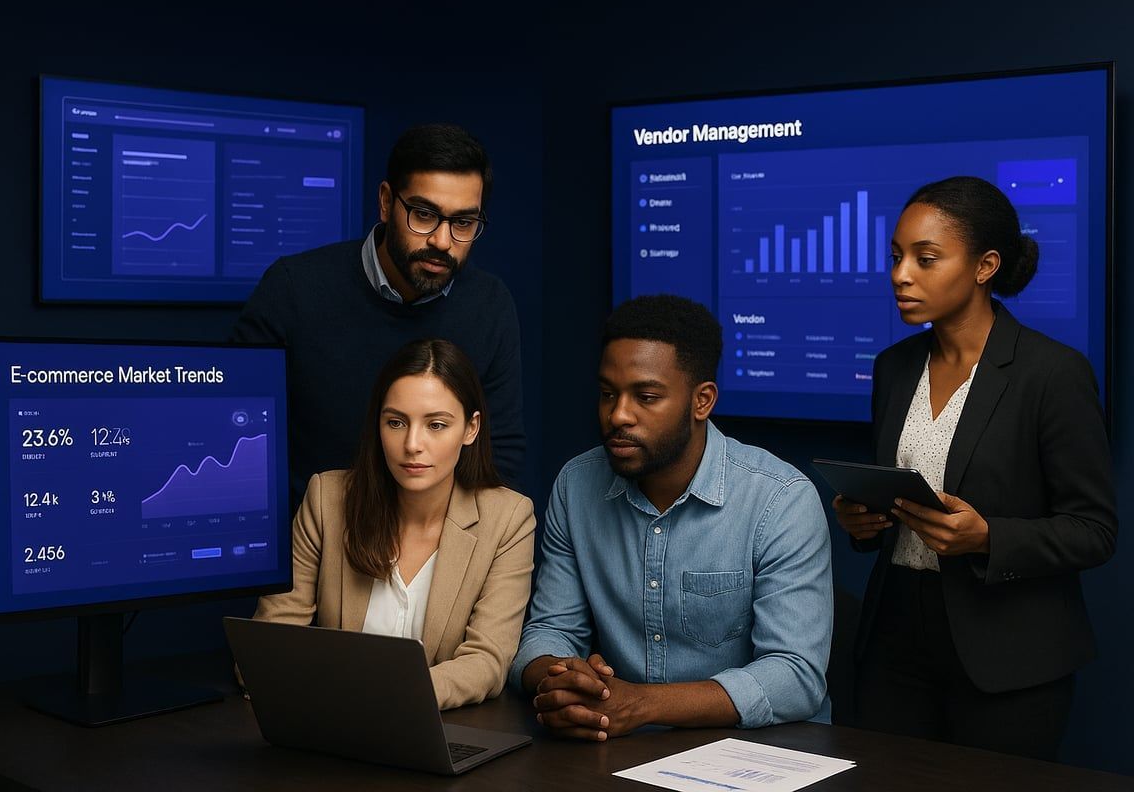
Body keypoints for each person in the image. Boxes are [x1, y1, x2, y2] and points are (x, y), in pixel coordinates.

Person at [834, 176, 1117, 760]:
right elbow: (900, 492)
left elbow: (1095, 531)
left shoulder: (1053, 373)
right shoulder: (893, 367)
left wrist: (988, 538)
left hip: (1008, 654)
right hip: (894, 641)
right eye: (896, 257)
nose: (900, 274)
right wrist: (864, 522)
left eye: (925, 258)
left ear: (986, 266)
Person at [509, 295, 832, 740]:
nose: (618, 415)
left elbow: (795, 677)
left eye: (646, 397)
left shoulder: (781, 500)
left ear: (702, 401)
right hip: (618, 745)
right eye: (607, 394)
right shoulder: (576, 485)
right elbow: (550, 629)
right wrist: (561, 681)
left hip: (758, 753)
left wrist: (642, 704)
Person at [232, 124, 524, 508]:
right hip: (316, 542)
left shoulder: (489, 305)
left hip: (438, 550)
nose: (441, 241)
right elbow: (238, 432)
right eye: (423, 214)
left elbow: (499, 457)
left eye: (463, 223)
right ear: (386, 202)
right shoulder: (293, 290)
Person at [252, 339, 536, 710]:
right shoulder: (327, 499)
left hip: (439, 731)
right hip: (329, 726)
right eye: (396, 422)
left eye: (436, 424)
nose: (412, 444)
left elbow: (487, 663)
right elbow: (270, 644)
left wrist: (386, 694)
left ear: (470, 428)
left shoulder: (509, 519)